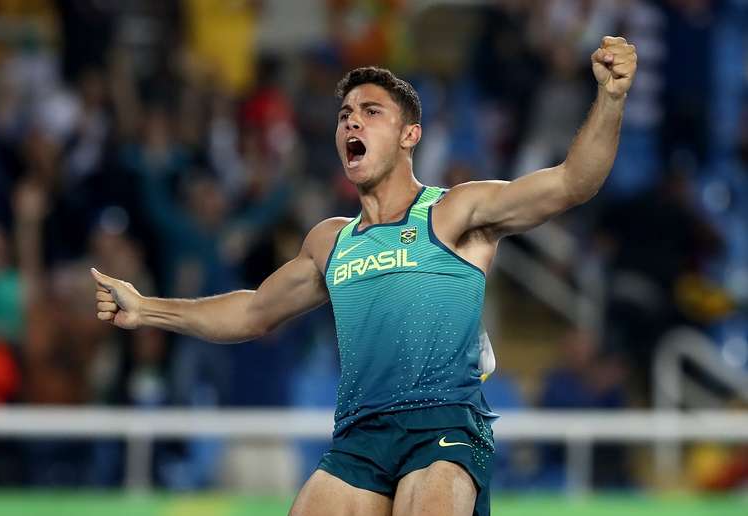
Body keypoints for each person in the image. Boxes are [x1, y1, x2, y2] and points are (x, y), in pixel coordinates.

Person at [91, 36, 637, 516]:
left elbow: (573, 182)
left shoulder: (454, 213)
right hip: (360, 437)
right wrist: (147, 309)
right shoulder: (330, 242)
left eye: (372, 111)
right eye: (345, 113)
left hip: (442, 427)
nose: (352, 120)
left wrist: (610, 100)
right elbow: (255, 311)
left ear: (409, 135)